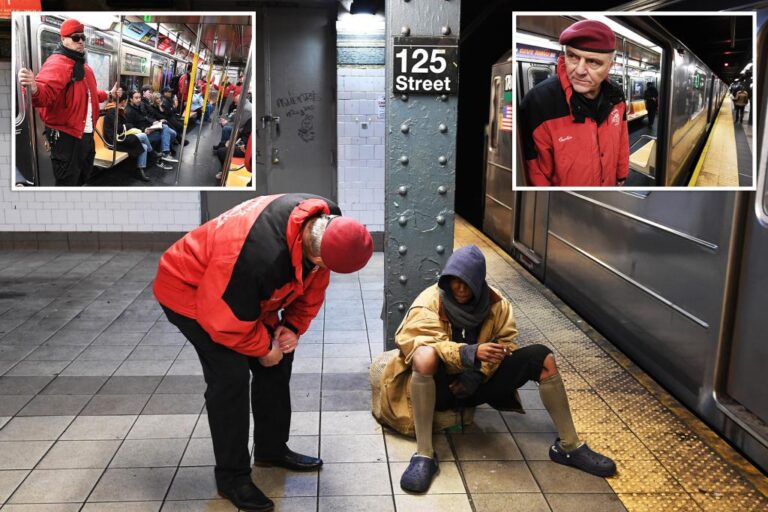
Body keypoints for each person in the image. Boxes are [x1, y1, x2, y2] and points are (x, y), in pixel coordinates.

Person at [154, 194, 374, 511]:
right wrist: (263, 346)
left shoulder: (326, 221)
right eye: (327, 265)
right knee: (230, 375)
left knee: (278, 359)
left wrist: (292, 329)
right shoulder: (257, 256)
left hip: (239, 292)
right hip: (188, 288)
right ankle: (232, 478)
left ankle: (271, 448)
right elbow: (224, 319)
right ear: (318, 253)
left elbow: (313, 280)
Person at [373, 245, 617, 493]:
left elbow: (505, 344)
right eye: (454, 281)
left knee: (542, 358)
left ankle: (569, 447)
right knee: (425, 356)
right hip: (439, 388)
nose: (459, 288)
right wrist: (469, 353)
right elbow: (418, 342)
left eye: (466, 282)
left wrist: (476, 374)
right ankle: (424, 455)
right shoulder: (430, 301)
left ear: (479, 283)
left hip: (475, 384)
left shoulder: (496, 304)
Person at [518, 19, 629, 186]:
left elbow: (622, 139)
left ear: (610, 66)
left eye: (593, 62)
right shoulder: (539, 102)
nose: (579, 71)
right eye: (572, 57)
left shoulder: (616, 95)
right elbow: (536, 171)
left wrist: (621, 176)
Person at [17, 17, 117, 186]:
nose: (81, 41)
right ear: (63, 39)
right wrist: (34, 87)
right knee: (67, 181)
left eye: (83, 37)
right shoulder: (57, 63)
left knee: (83, 176)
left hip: (85, 134)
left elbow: (89, 95)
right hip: (66, 137)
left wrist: (108, 94)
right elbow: (44, 95)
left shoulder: (84, 67)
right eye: (75, 37)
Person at [102, 93, 173, 182]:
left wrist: (128, 125)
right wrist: (129, 126)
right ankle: (153, 153)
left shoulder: (118, 110)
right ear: (124, 102)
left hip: (121, 136)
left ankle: (140, 170)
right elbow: (119, 128)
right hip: (114, 140)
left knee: (144, 146)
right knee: (143, 135)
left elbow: (123, 126)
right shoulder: (113, 111)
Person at [124, 89, 178, 165]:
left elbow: (145, 117)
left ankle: (162, 152)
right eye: (136, 98)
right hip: (141, 134)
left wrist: (153, 122)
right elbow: (130, 127)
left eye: (139, 97)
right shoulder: (129, 111)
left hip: (148, 129)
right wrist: (144, 129)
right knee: (165, 132)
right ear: (130, 99)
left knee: (172, 133)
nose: (139, 100)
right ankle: (165, 153)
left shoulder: (139, 106)